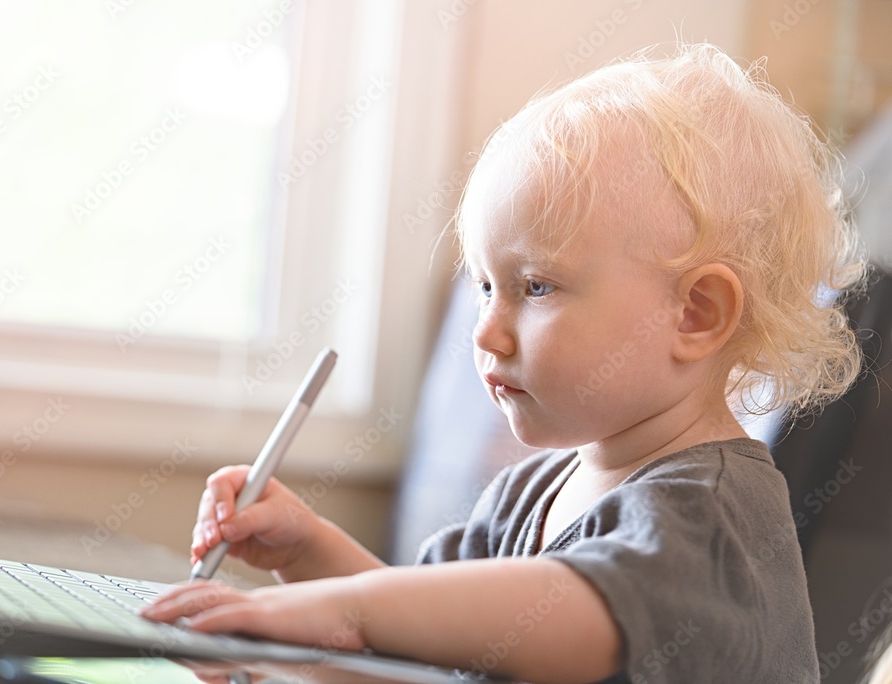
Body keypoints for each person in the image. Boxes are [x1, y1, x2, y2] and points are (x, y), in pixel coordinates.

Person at [142, 43, 865, 683]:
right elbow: (420, 652)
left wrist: (321, 609)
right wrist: (307, 555)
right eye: (487, 286)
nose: (486, 332)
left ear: (696, 313)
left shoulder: (713, 512)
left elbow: (573, 621)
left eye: (536, 286)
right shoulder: (526, 498)